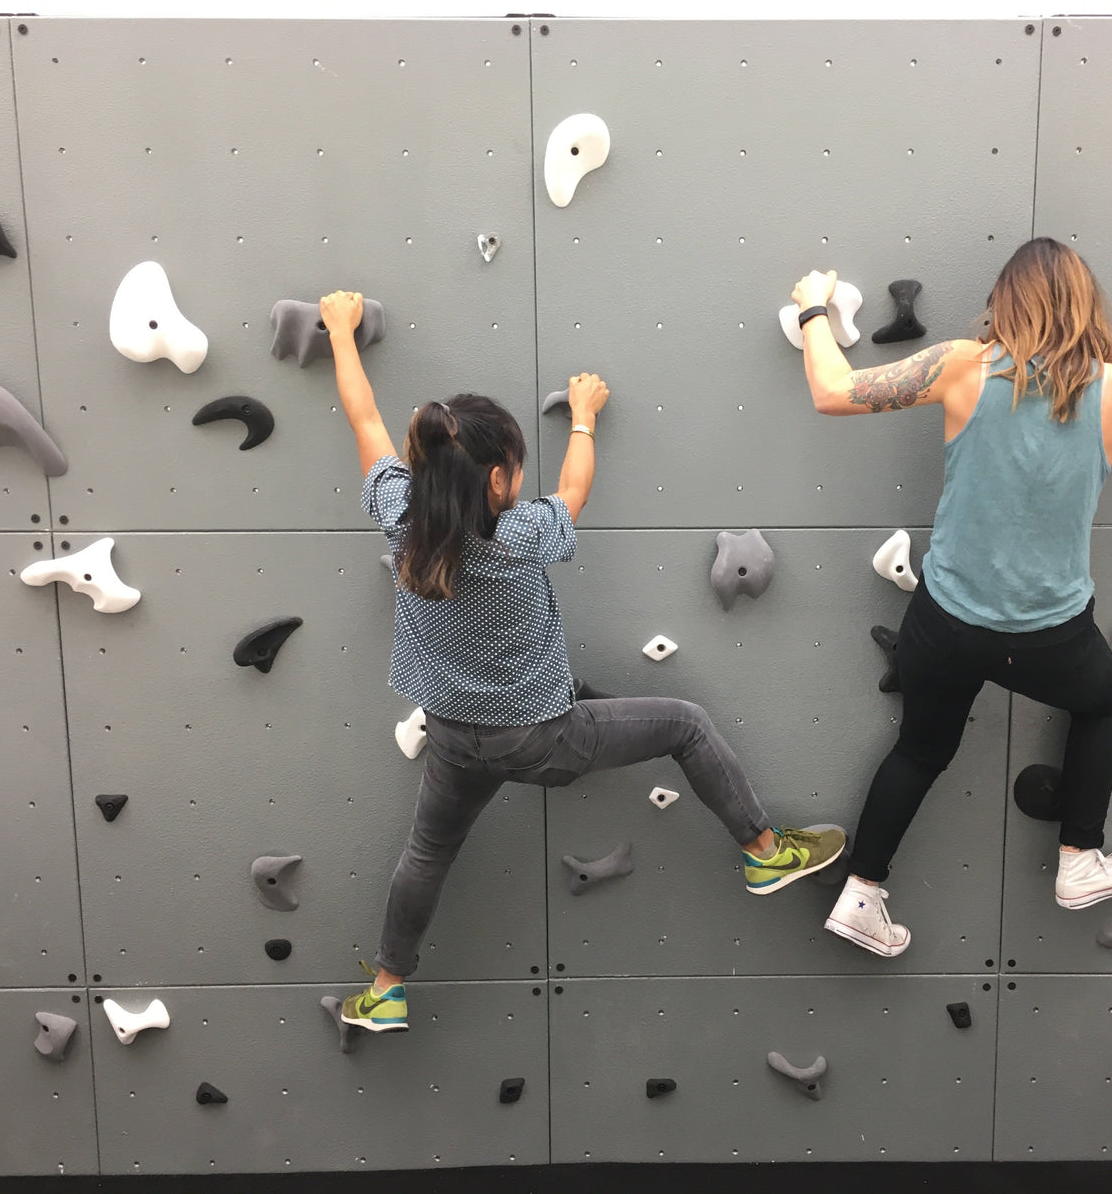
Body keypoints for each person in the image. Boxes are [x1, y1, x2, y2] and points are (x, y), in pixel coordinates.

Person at [315, 290, 846, 1031]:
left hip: (453, 735)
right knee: (685, 724)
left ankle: (387, 989)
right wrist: (586, 415)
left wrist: (341, 333)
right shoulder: (518, 536)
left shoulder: (400, 513)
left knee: (427, 855)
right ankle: (763, 850)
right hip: (540, 738)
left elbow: (364, 418)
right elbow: (575, 489)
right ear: (498, 481)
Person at [789, 238, 1112, 958]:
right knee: (1100, 704)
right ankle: (1079, 861)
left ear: (1004, 301)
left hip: (944, 622)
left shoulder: (962, 365)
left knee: (920, 748)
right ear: (1087, 304)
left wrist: (813, 308)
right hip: (1050, 638)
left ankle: (861, 892)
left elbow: (832, 391)